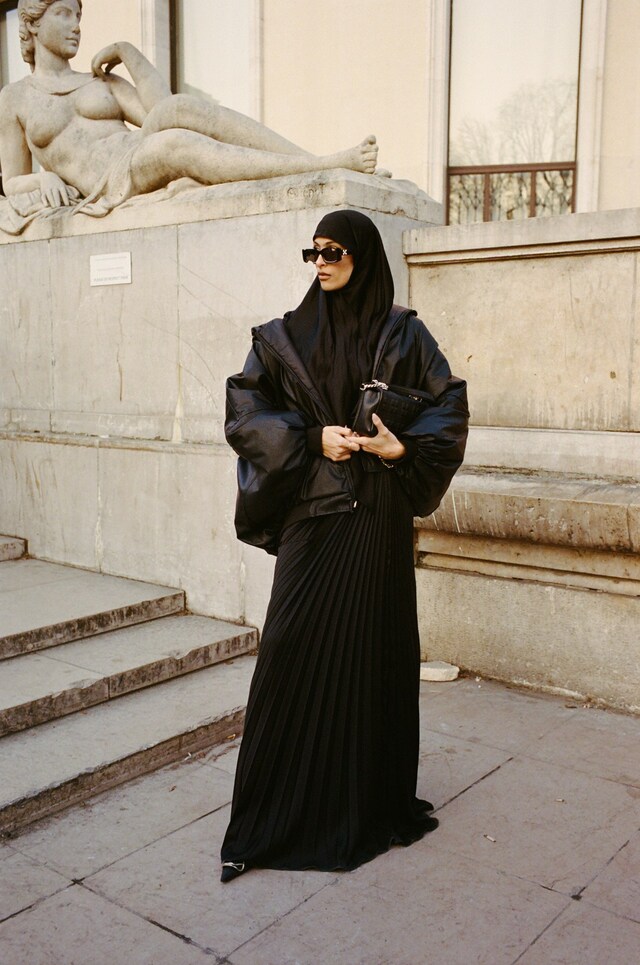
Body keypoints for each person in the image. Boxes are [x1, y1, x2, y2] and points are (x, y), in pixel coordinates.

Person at [221, 209, 469, 881]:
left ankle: (365, 805)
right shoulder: (283, 336)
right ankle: (266, 822)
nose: (321, 263)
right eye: (313, 252)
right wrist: (310, 438)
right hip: (315, 510)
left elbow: (449, 406)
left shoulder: (404, 332)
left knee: (374, 654)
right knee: (288, 651)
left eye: (334, 251)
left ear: (364, 257)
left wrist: (399, 447)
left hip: (379, 515)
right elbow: (244, 413)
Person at [0, 0, 380, 217]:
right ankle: (322, 166)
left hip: (135, 154)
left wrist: (127, 52)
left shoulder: (101, 82)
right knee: (174, 144)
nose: (76, 26)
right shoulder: (15, 97)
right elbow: (11, 181)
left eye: (79, 15)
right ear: (32, 24)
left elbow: (161, 110)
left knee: (181, 106)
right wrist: (42, 180)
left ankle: (318, 162)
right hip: (107, 182)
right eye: (64, 14)